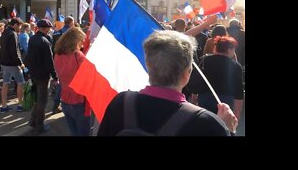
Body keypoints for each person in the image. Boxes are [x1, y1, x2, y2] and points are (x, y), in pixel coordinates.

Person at [97, 30, 238, 136]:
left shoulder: (121, 103)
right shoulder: (208, 123)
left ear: (148, 66)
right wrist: (227, 129)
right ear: (187, 73)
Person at [53, 27, 90, 136]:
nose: (82, 44)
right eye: (81, 41)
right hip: (79, 100)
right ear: (75, 41)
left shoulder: (57, 55)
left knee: (74, 132)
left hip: (65, 98)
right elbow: (88, 77)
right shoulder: (77, 55)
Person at [25, 19, 58, 134]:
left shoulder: (32, 39)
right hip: (43, 76)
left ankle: (33, 121)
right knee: (42, 101)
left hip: (34, 74)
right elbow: (49, 61)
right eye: (48, 28)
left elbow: (28, 56)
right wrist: (55, 76)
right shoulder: (45, 41)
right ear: (45, 28)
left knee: (36, 99)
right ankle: (39, 125)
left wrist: (28, 71)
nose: (49, 30)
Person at [0, 17, 26, 113]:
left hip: (4, 62)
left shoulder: (4, 32)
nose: (20, 28)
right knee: (21, 83)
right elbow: (15, 50)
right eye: (19, 26)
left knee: (5, 83)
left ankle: (4, 106)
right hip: (13, 63)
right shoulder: (13, 34)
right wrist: (20, 63)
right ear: (15, 25)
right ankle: (20, 105)